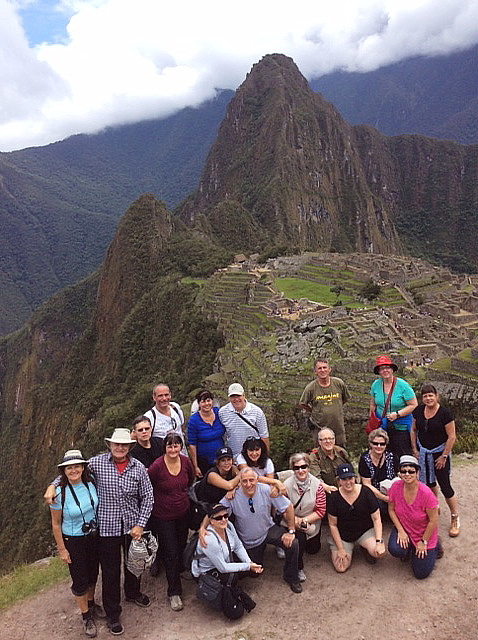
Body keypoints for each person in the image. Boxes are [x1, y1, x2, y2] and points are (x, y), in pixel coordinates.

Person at [45, 429, 153, 636]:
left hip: (132, 526)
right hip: (107, 527)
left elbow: (148, 496)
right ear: (109, 446)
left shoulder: (138, 467)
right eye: (116, 445)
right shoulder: (97, 463)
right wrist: (52, 485)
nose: (120, 448)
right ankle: (113, 614)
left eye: (124, 445)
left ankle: (132, 592)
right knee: (111, 571)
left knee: (134, 563)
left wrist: (140, 523)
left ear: (129, 446)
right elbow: (72, 472)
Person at [215, 468, 302, 593]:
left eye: (251, 480)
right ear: (239, 482)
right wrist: (203, 529)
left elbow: (288, 507)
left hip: (268, 529)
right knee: (253, 573)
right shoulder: (232, 496)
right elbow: (216, 512)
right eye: (244, 481)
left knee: (293, 543)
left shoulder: (266, 490)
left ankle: (292, 577)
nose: (249, 484)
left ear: (257, 480)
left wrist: (291, 531)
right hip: (248, 539)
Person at [50, 450, 101, 638]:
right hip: (73, 539)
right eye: (69, 467)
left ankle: (92, 603)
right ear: (63, 470)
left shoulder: (91, 482)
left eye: (77, 466)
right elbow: (55, 524)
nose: (73, 470)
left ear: (83, 467)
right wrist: (62, 549)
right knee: (79, 579)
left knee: (93, 573)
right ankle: (85, 615)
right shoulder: (58, 493)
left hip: (93, 536)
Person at [147, 431, 195, 611]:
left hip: (183, 511)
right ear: (164, 447)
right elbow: (148, 484)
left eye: (176, 445)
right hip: (163, 515)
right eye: (169, 446)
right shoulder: (157, 466)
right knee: (171, 551)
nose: (173, 449)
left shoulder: (185, 462)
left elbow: (190, 480)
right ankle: (174, 592)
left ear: (180, 447)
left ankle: (180, 570)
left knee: (181, 544)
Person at [192, 503, 262, 619]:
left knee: (253, 570)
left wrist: (250, 563)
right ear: (211, 521)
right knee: (235, 612)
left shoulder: (228, 526)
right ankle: (229, 591)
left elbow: (238, 545)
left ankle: (230, 587)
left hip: (224, 560)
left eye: (225, 515)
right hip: (209, 571)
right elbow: (223, 568)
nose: (223, 519)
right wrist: (247, 566)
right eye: (219, 518)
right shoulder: (210, 540)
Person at [411, 385, 460, 537]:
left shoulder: (445, 413)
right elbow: (413, 429)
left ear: (437, 396)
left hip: (440, 455)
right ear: (422, 398)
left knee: (445, 485)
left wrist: (444, 456)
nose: (428, 398)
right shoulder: (418, 411)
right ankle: (434, 507)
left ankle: (454, 517)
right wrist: (415, 449)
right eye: (425, 396)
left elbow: (452, 437)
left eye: (431, 395)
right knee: (429, 483)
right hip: (424, 453)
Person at [388, 455, 440, 579]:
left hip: (423, 533)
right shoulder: (395, 487)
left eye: (411, 471)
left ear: (417, 473)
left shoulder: (426, 493)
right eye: (403, 471)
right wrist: (400, 531)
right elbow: (391, 510)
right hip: (405, 528)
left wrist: (423, 542)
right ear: (399, 473)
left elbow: (433, 520)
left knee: (420, 574)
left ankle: (435, 546)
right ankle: (409, 548)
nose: (407, 474)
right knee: (395, 549)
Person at [327, 463, 385, 573]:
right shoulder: (334, 497)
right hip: (343, 535)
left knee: (378, 553)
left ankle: (364, 547)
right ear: (339, 481)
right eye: (344, 479)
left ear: (355, 478)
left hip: (364, 532)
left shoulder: (366, 492)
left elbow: (377, 518)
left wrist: (379, 541)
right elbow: (332, 524)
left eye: (350, 478)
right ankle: (338, 545)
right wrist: (340, 549)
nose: (348, 482)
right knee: (341, 567)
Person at [282, 453, 326, 582]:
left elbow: (321, 510)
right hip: (290, 520)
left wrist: (304, 521)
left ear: (308, 467)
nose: (301, 470)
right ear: (293, 469)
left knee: (313, 550)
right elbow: (283, 508)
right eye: (297, 468)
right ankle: (298, 567)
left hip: (310, 521)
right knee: (299, 539)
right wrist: (295, 521)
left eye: (303, 466)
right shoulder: (286, 485)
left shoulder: (317, 484)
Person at [369, 355, 418, 457]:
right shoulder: (375, 385)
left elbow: (413, 405)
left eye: (387, 367)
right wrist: (372, 420)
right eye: (382, 368)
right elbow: (373, 404)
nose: (385, 370)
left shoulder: (403, 385)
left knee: (402, 454)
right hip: (382, 426)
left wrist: (397, 414)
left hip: (401, 426)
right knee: (383, 454)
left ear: (392, 370)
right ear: (378, 371)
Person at [299, 358, 350, 446]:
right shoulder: (311, 388)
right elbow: (303, 403)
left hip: (338, 428)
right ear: (315, 371)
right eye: (319, 368)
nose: (322, 370)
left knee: (340, 453)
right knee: (321, 453)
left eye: (325, 367)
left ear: (329, 369)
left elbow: (345, 398)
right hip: (319, 427)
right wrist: (313, 411)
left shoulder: (339, 383)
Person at [219, 383, 269, 459]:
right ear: (229, 398)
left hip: (253, 456)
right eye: (232, 396)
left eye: (238, 396)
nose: (236, 399)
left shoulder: (257, 412)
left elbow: (264, 436)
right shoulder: (222, 412)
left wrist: (265, 457)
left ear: (244, 395)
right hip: (233, 457)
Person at [358, 428, 398, 515]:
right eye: (375, 443)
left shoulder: (391, 456)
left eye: (382, 444)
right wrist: (384, 498)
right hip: (372, 493)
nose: (379, 446)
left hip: (390, 491)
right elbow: (367, 484)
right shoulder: (364, 459)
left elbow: (400, 476)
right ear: (370, 444)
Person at [187, 389, 225, 477]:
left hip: (221, 459)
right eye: (203, 401)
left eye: (208, 400)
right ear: (199, 403)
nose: (206, 404)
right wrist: (195, 466)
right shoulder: (194, 420)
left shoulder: (219, 413)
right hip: (204, 462)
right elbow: (192, 445)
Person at [309, 428, 352, 492]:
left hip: (345, 489)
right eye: (325, 439)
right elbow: (315, 479)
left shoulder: (341, 452)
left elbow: (351, 472)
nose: (328, 441)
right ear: (319, 442)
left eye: (330, 438)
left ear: (334, 440)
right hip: (325, 491)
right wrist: (326, 487)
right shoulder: (314, 457)